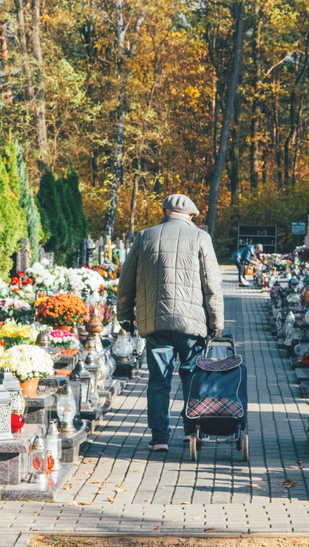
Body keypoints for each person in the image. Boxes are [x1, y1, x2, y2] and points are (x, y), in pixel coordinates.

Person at [117, 194, 224, 452]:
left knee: (158, 381)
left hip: (155, 322)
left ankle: (159, 438)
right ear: (190, 215)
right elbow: (212, 284)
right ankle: (192, 433)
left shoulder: (144, 237)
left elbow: (126, 281)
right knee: (192, 378)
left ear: (164, 211)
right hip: (192, 324)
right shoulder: (200, 238)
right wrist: (216, 323)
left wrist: (124, 315)